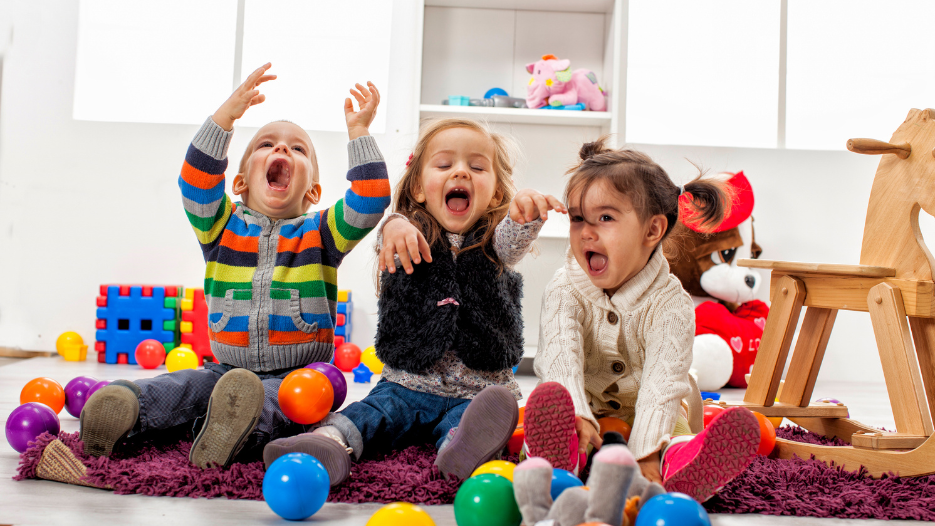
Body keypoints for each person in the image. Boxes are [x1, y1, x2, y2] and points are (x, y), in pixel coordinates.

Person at [79, 63, 390, 470]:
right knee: (186, 386)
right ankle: (129, 407)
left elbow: (370, 199)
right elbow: (195, 180)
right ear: (240, 182)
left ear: (313, 190)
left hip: (300, 373)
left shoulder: (322, 232)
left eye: (298, 149)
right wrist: (226, 117)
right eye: (267, 144)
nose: (282, 150)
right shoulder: (219, 226)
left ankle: (233, 430)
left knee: (291, 403)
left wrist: (360, 133)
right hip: (226, 368)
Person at [264, 118, 565, 484]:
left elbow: (511, 240)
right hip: (406, 384)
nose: (461, 173)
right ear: (420, 188)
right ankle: (327, 442)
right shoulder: (408, 234)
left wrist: (524, 216)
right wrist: (394, 224)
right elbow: (389, 237)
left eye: (476, 166)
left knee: (470, 425)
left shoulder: (494, 244)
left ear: (497, 194)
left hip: (476, 392)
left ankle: (459, 451)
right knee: (371, 414)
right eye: (444, 165)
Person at [526, 138, 760, 502]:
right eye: (577, 218)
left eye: (605, 218)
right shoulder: (564, 289)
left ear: (652, 231)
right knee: (554, 403)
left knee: (673, 430)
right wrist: (578, 414)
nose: (586, 232)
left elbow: (663, 385)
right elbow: (559, 358)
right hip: (586, 402)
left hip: (652, 409)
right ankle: (560, 456)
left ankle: (681, 463)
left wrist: (647, 453)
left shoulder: (671, 303)